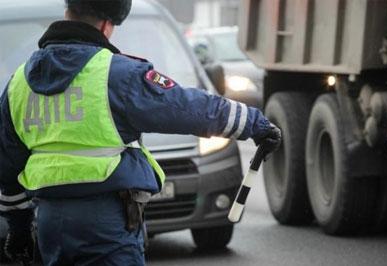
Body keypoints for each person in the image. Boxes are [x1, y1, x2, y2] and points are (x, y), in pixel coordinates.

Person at [0, 0, 281, 265]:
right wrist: (254, 123)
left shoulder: (19, 84)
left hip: (50, 224)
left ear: (67, 12)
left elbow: (7, 170)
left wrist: (19, 229)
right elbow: (187, 107)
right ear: (106, 26)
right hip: (106, 225)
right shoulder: (116, 73)